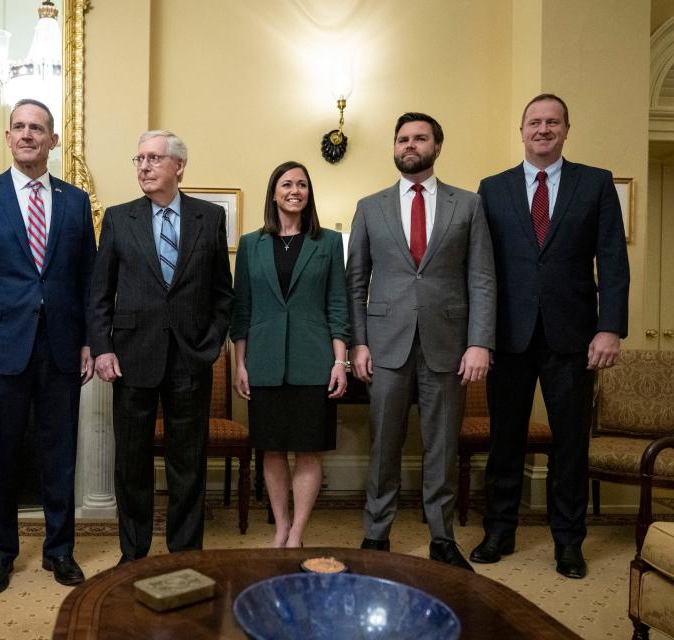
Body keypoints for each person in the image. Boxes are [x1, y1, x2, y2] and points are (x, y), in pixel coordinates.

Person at [470, 94, 630, 579]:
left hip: (575, 337)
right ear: (521, 132)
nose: (543, 129)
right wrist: (479, 333)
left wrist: (610, 328)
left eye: (552, 122)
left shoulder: (596, 183)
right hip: (510, 336)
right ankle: (499, 531)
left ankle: (568, 542)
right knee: (505, 441)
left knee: (570, 444)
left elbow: (613, 261)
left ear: (566, 130)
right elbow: (482, 267)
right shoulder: (492, 189)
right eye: (534, 122)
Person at [0, 99, 96, 593]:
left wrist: (90, 342)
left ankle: (60, 551)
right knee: (2, 456)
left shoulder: (76, 201)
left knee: (60, 456)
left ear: (54, 140)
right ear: (7, 138)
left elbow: (86, 281)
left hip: (60, 348)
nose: (28, 134)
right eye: (20, 127)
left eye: (38, 128)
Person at [346, 112, 496, 570]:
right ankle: (376, 533)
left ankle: (441, 536)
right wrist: (359, 343)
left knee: (442, 445)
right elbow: (356, 281)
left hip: (449, 345)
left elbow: (482, 278)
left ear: (437, 146)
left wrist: (479, 342)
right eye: (403, 139)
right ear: (394, 147)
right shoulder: (370, 206)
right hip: (385, 343)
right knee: (384, 444)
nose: (410, 145)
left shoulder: (467, 205)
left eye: (419, 138)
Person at [89, 130, 234, 563]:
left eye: (154, 158)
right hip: (132, 357)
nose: (144, 167)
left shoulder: (209, 217)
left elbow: (222, 293)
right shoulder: (118, 218)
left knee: (187, 463)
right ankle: (133, 554)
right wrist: (103, 347)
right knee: (131, 464)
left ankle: (184, 553)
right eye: (138, 159)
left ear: (179, 167)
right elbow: (100, 293)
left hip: (191, 358)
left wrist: (210, 346)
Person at [230, 161, 350, 548]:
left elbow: (337, 306)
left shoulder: (328, 242)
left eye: (302, 184)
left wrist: (339, 361)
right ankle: (280, 526)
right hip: (264, 363)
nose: (295, 190)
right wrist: (240, 364)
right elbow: (242, 310)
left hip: (313, 362)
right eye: (287, 184)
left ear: (309, 193)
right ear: (274, 192)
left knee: (309, 451)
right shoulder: (251, 244)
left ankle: (297, 532)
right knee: (273, 450)